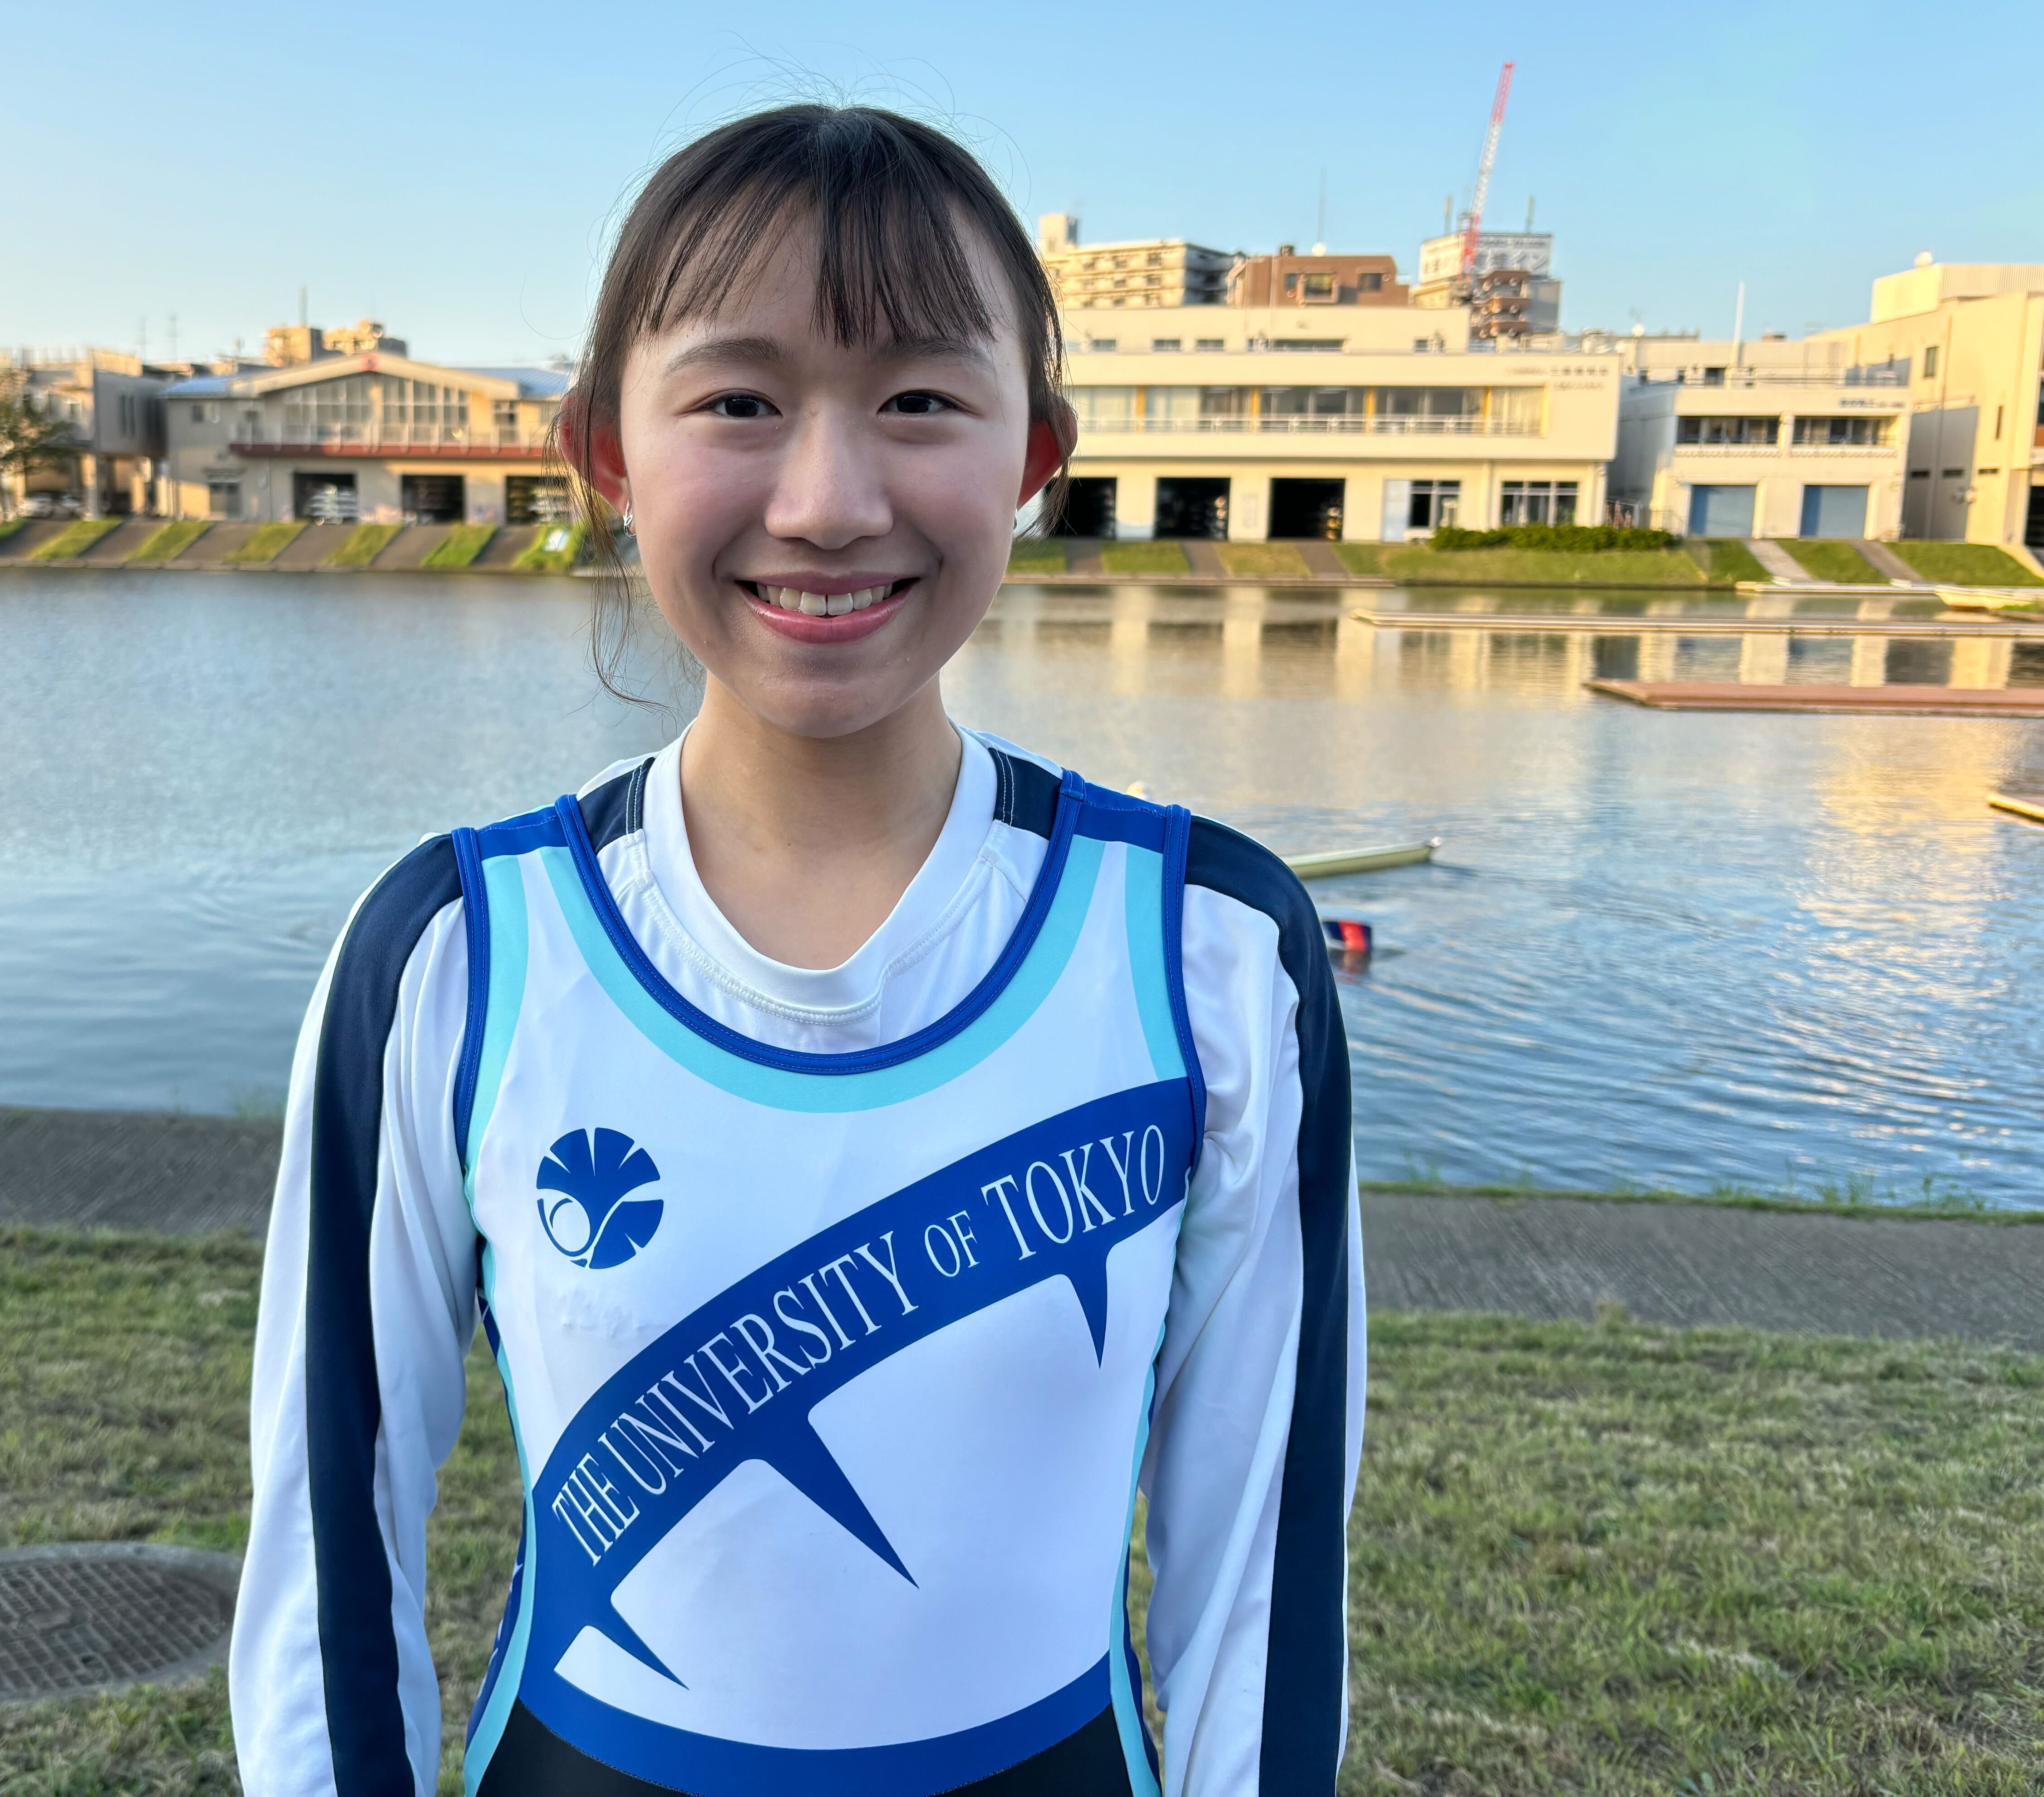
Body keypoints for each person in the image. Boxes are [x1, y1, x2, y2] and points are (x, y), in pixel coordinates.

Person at [231, 104, 1363, 1797]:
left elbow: (1261, 1575)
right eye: (739, 402)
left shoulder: (1211, 953)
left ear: (1034, 458)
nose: (829, 504)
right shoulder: (456, 957)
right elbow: (331, 1545)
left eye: (920, 401)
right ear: (607, 453)